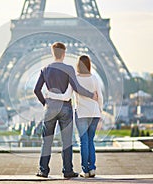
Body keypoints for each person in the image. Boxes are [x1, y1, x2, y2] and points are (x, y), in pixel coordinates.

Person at [34, 42, 98, 178]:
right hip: (65, 108)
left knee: (47, 141)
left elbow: (36, 90)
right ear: (63, 54)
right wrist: (91, 95)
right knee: (67, 141)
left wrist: (45, 103)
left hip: (50, 108)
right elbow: (77, 88)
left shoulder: (45, 69)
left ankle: (43, 170)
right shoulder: (68, 69)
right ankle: (67, 171)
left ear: (53, 53)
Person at [47, 55, 103, 178]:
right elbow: (100, 97)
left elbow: (67, 96)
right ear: (89, 65)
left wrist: (51, 96)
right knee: (90, 141)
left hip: (82, 113)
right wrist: (100, 112)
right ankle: (92, 168)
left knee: (84, 142)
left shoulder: (74, 79)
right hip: (94, 113)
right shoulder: (94, 78)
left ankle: (85, 170)